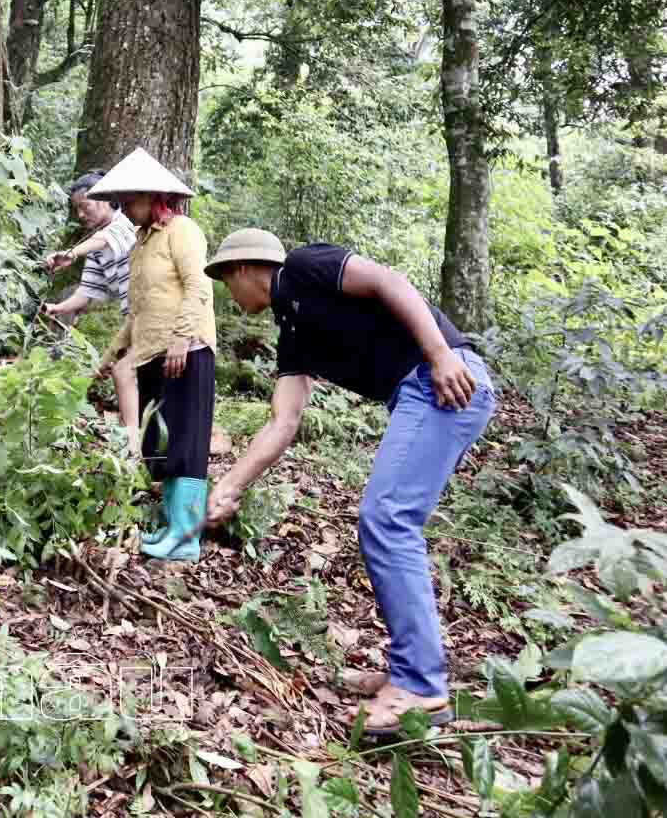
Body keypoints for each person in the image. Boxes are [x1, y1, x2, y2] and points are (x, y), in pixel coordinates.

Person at [202, 228, 496, 736]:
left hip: (443, 379)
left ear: (246, 269)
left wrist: (440, 354)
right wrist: (228, 485)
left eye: (227, 282)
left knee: (387, 519)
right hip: (419, 390)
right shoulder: (293, 332)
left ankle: (421, 687)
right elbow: (283, 423)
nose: (230, 296)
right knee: (386, 521)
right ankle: (410, 668)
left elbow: (390, 282)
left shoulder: (303, 267)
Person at [87, 148, 217, 561]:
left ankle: (185, 537)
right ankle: (169, 525)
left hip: (187, 351)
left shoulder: (183, 231)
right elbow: (139, 308)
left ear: (152, 195)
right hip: (151, 353)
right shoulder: (141, 242)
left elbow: (199, 286)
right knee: (159, 444)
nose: (124, 207)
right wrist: (112, 352)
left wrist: (181, 339)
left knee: (187, 442)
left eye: (130, 199)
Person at [41, 170, 139, 431]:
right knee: (120, 371)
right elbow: (87, 292)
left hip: (152, 314)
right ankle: (133, 433)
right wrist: (56, 308)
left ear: (106, 200)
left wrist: (71, 254)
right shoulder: (96, 247)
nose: (81, 215)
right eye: (77, 210)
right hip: (134, 318)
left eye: (85, 207)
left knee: (123, 371)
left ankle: (133, 437)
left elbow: (104, 239)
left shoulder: (123, 225)